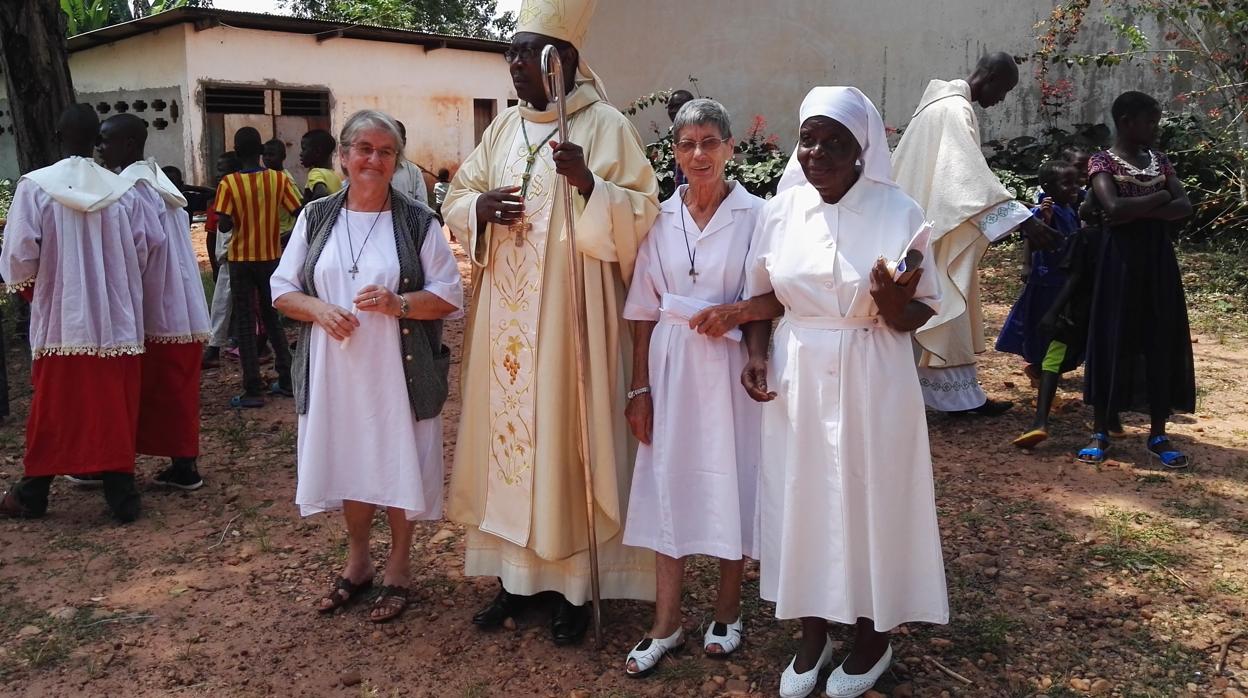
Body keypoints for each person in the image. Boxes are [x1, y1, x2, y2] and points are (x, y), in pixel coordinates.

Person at [444, 0, 661, 646]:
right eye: (509, 52)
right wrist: (479, 208)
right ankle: (515, 580)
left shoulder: (605, 126)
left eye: (528, 53)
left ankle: (572, 589)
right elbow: (457, 194)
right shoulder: (503, 132)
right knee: (510, 450)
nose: (513, 64)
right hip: (506, 328)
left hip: (571, 325)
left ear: (562, 61)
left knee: (565, 444)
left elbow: (644, 216)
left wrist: (594, 187)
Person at [740, 87, 948, 698]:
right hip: (798, 367)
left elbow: (919, 313)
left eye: (836, 143)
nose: (818, 153)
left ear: (864, 150)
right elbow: (763, 294)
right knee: (802, 496)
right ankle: (812, 632)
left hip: (874, 370)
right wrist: (755, 351)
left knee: (869, 497)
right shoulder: (779, 212)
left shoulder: (900, 212)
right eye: (809, 139)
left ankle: (871, 636)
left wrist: (892, 305)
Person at [272, 109, 463, 622]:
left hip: (397, 372)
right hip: (336, 372)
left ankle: (399, 567)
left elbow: (449, 296)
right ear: (343, 155)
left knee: (398, 461)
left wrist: (400, 303)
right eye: (364, 149)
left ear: (396, 162)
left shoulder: (418, 222)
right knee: (352, 461)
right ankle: (358, 564)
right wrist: (318, 309)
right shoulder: (316, 217)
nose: (373, 160)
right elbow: (282, 288)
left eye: (385, 152)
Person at [619, 99, 763, 676]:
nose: (698, 155)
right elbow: (642, 308)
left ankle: (729, 610)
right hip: (672, 363)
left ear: (730, 148)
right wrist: (638, 388)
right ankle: (667, 621)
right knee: (666, 482)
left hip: (731, 367)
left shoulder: (758, 215)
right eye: (686, 144)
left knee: (734, 475)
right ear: (673, 154)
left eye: (709, 142)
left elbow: (772, 296)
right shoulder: (658, 217)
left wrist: (736, 315)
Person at [0, 104, 159, 522]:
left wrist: (40, 296)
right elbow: (144, 248)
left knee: (56, 406)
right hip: (115, 318)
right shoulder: (121, 189)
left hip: (62, 317)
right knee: (112, 405)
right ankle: (121, 494)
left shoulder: (35, 187)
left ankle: (33, 492)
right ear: (96, 142)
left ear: (57, 135)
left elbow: (18, 254)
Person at [891, 52, 1059, 416]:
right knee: (943, 306)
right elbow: (966, 177)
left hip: (921, 221)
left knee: (932, 308)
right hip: (937, 226)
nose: (1002, 99)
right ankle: (954, 400)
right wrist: (1025, 220)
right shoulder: (955, 109)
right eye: (1005, 89)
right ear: (991, 76)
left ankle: (952, 395)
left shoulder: (937, 106)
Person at [1079, 91, 1195, 468]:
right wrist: (1159, 196)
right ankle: (1100, 430)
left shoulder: (1159, 161)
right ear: (1127, 121)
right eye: (1150, 122)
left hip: (1158, 263)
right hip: (1119, 263)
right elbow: (1112, 207)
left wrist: (1137, 208)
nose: (1155, 129)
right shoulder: (1102, 161)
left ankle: (1158, 431)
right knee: (1113, 335)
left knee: (1158, 336)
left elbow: (1185, 208)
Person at [98, 113, 212, 490]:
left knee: (154, 388)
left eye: (107, 140)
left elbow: (138, 248)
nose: (100, 147)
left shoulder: (132, 191)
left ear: (129, 144)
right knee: (174, 388)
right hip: (182, 299)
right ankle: (183, 464)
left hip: (153, 304)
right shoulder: (163, 184)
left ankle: (128, 464)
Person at [212, 127, 300, 408]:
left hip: (240, 260)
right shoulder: (277, 179)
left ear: (237, 153)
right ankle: (286, 379)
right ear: (261, 151)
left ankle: (252, 389)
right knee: (272, 317)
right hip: (271, 258)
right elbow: (299, 211)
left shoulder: (229, 183)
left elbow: (224, 224)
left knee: (247, 324)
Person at [996, 160, 1082, 386]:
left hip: (1065, 280)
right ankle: (1040, 370)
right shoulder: (1046, 212)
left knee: (1064, 326)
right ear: (1047, 187)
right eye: (1067, 184)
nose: (1075, 188)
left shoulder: (1070, 209)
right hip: (1047, 280)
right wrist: (1027, 264)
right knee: (1044, 325)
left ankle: (1050, 368)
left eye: (1076, 182)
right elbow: (1032, 236)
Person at [202, 150, 241, 369]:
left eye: (223, 170)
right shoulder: (220, 194)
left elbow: (222, 227)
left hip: (232, 256)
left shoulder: (228, 194)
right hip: (228, 257)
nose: (218, 174)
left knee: (223, 304)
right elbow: (211, 234)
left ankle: (215, 348)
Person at [263, 138, 303, 246]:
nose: (267, 158)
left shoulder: (285, 178)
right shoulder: (267, 177)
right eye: (265, 155)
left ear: (283, 157)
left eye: (271, 155)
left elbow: (299, 208)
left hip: (283, 232)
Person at [390, 121, 430, 204]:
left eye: (397, 140)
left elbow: (422, 206)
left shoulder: (414, 171)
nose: (392, 144)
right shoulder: (375, 169)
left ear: (404, 142)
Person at [300, 129, 342, 203]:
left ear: (317, 152)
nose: (301, 154)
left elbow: (321, 194)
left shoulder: (315, 173)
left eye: (304, 149)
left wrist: (307, 210)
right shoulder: (336, 175)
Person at [666, 90, 695, 189]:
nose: (673, 111)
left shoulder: (699, 134)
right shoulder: (677, 134)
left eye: (677, 106)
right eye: (670, 107)